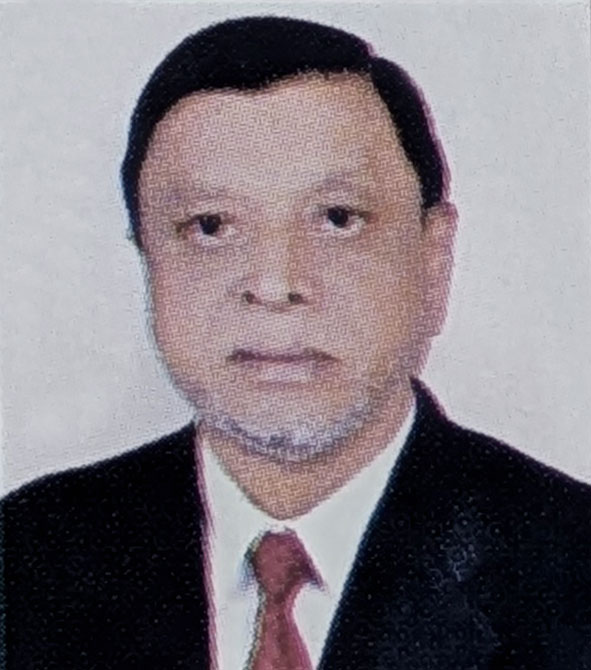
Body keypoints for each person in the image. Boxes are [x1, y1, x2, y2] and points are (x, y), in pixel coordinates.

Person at [2, 15, 590, 670]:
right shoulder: (23, 560)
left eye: (338, 219)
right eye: (210, 226)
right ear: (148, 259)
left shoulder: (570, 568)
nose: (275, 285)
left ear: (433, 260)